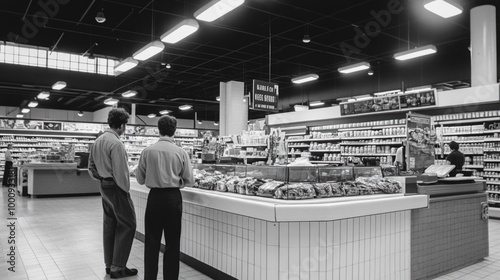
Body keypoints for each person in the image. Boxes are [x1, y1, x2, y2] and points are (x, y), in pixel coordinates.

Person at [136, 115, 194, 280]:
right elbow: (189, 180)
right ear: (174, 131)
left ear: (158, 130)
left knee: (152, 242)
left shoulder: (147, 151)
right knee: (173, 243)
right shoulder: (181, 152)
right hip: (173, 199)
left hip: (154, 198)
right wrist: (178, 181)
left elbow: (140, 179)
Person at [88, 108, 137, 279]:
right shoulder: (116, 143)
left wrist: (102, 179)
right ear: (122, 125)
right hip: (116, 188)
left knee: (110, 226)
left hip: (104, 186)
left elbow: (91, 168)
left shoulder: (98, 141)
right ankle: (118, 267)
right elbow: (121, 173)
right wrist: (125, 192)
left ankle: (109, 265)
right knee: (128, 224)